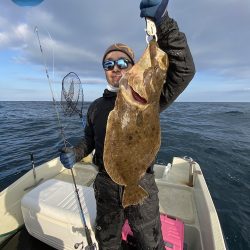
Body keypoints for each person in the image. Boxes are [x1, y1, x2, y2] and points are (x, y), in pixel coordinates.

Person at [60, 0, 195, 249]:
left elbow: (184, 70)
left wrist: (164, 25)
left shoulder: (150, 99)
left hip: (141, 183)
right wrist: (75, 153)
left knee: (150, 241)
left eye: (122, 63)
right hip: (105, 185)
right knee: (108, 241)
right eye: (108, 64)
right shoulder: (96, 107)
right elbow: (90, 141)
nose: (115, 68)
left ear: (132, 67)